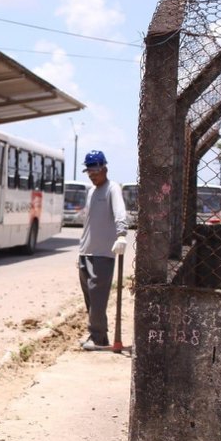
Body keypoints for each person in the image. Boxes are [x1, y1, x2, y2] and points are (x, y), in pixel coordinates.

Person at [77, 150, 128, 351]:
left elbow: (120, 213)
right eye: (89, 171)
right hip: (86, 252)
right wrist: (80, 250)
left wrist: (121, 234)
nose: (92, 175)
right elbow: (88, 224)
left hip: (102, 255)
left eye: (95, 171)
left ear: (104, 168)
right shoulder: (91, 191)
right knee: (89, 298)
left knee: (98, 300)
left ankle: (98, 339)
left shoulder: (112, 189)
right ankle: (98, 334)